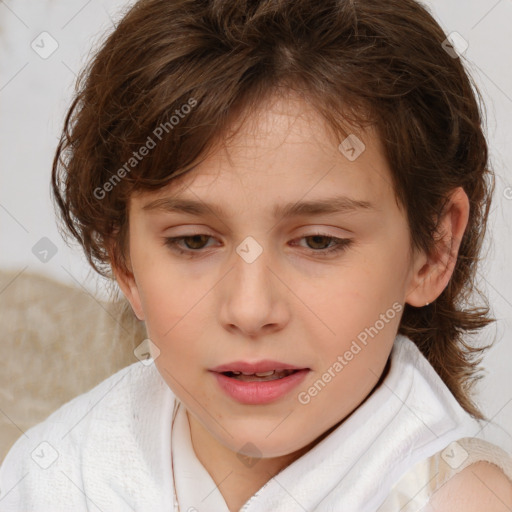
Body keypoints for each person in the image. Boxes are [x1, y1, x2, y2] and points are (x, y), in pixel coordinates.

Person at [1, 0, 511, 510]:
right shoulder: (54, 474)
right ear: (124, 260)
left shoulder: (454, 500)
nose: (249, 310)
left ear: (432, 249)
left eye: (318, 241)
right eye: (193, 241)